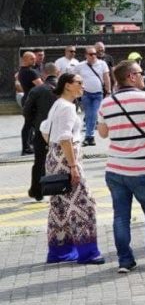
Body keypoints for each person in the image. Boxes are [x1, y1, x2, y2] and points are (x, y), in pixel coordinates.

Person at [96, 59, 145, 272]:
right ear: (131, 76)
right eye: (140, 73)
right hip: (142, 166)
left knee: (121, 215)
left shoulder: (106, 102)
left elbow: (103, 133)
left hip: (114, 168)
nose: (143, 77)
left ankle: (125, 260)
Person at [41, 72, 105, 264]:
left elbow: (45, 130)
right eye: (79, 82)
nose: (82, 86)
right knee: (83, 205)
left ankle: (60, 252)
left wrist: (56, 151)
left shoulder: (57, 104)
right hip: (66, 160)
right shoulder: (68, 108)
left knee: (59, 207)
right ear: (68, 85)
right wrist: (73, 165)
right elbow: (65, 137)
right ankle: (87, 253)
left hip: (53, 158)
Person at [23, 63, 58, 200]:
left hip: (41, 131)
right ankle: (61, 189)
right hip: (62, 132)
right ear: (58, 72)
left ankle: (37, 191)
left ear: (43, 74)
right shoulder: (65, 89)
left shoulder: (38, 90)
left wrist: (34, 124)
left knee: (40, 161)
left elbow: (26, 110)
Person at [73, 47, 111, 147]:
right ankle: (90, 137)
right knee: (89, 114)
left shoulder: (102, 64)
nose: (93, 56)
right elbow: (73, 78)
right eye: (91, 54)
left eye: (95, 54)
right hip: (85, 93)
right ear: (86, 55)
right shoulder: (80, 66)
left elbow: (106, 78)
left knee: (94, 114)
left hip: (98, 93)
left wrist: (108, 90)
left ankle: (89, 136)